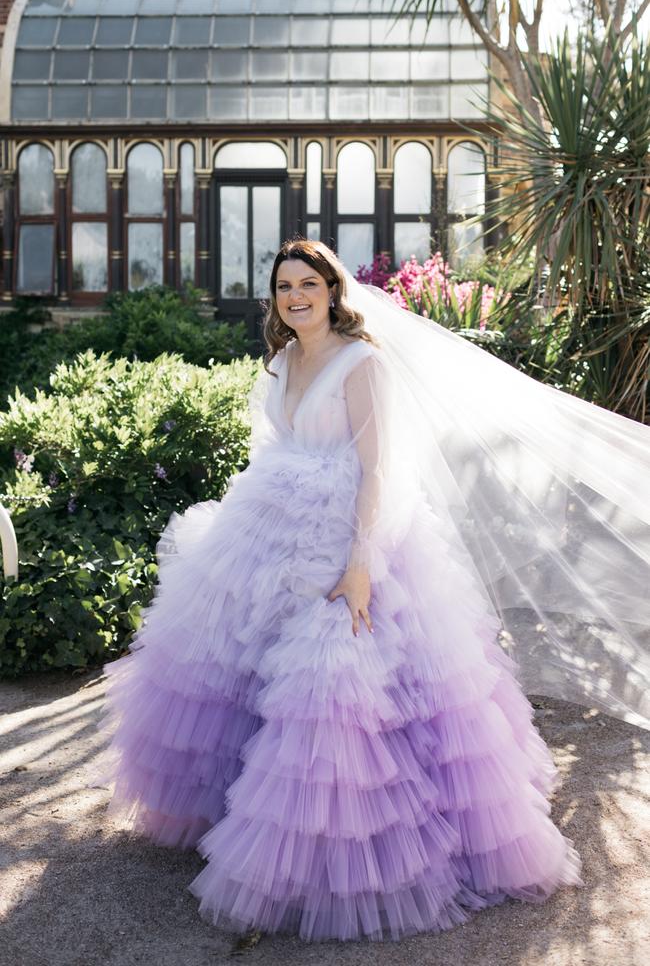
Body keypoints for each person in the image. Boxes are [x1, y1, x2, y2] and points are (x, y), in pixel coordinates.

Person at [94, 238, 650, 943]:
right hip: (270, 528)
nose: (295, 297)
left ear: (333, 290)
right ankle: (231, 819)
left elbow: (376, 469)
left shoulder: (363, 361)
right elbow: (275, 445)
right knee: (231, 667)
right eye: (284, 286)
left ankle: (329, 858)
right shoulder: (283, 359)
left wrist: (359, 563)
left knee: (332, 684)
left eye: (308, 284)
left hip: (351, 532)